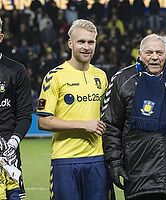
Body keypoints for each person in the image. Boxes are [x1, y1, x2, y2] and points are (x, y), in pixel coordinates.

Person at [102, 33, 166, 200]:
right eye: (149, 53)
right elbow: (111, 125)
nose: (154, 57)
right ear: (139, 54)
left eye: (159, 52)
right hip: (139, 177)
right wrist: (114, 162)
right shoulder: (123, 80)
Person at [36, 19, 115, 200]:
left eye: (91, 42)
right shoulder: (55, 76)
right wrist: (83, 125)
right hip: (65, 160)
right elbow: (43, 121)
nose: (86, 47)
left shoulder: (101, 76)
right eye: (81, 42)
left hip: (98, 159)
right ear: (70, 43)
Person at [0, 17, 33, 199]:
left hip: (8, 155)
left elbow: (25, 116)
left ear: (0, 37)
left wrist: (11, 144)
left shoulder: (16, 70)